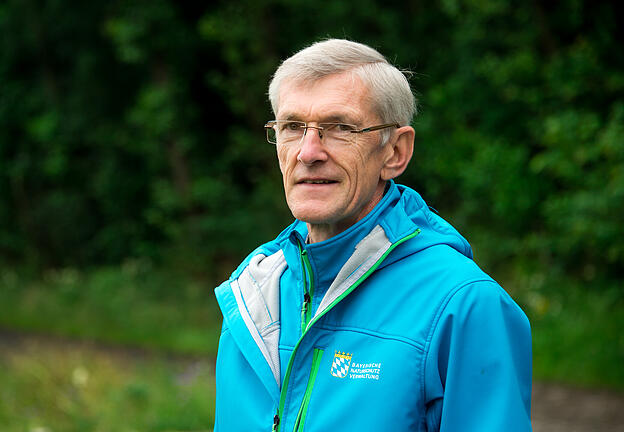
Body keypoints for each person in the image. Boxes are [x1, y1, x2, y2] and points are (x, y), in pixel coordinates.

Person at [213, 39, 532, 431]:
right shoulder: (253, 295)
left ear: (395, 152)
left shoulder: (463, 305)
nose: (308, 152)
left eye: (340, 127)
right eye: (293, 127)